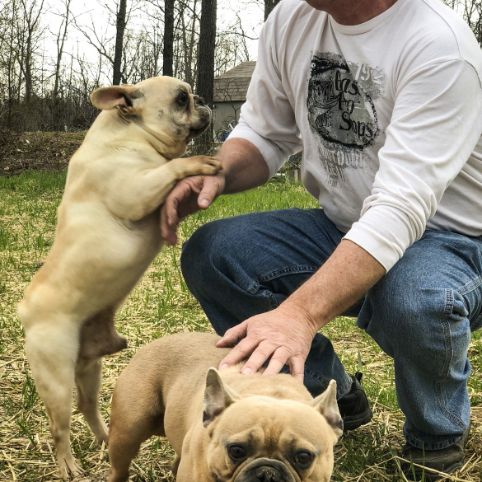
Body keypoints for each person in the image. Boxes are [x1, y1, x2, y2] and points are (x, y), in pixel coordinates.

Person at [161, 0, 482, 478]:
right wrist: (217, 173)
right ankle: (325, 397)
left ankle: (435, 437)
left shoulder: (440, 45)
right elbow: (265, 133)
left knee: (415, 296)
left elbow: (400, 207)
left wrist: (299, 314)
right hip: (344, 223)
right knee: (217, 254)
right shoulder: (291, 19)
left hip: (453, 239)